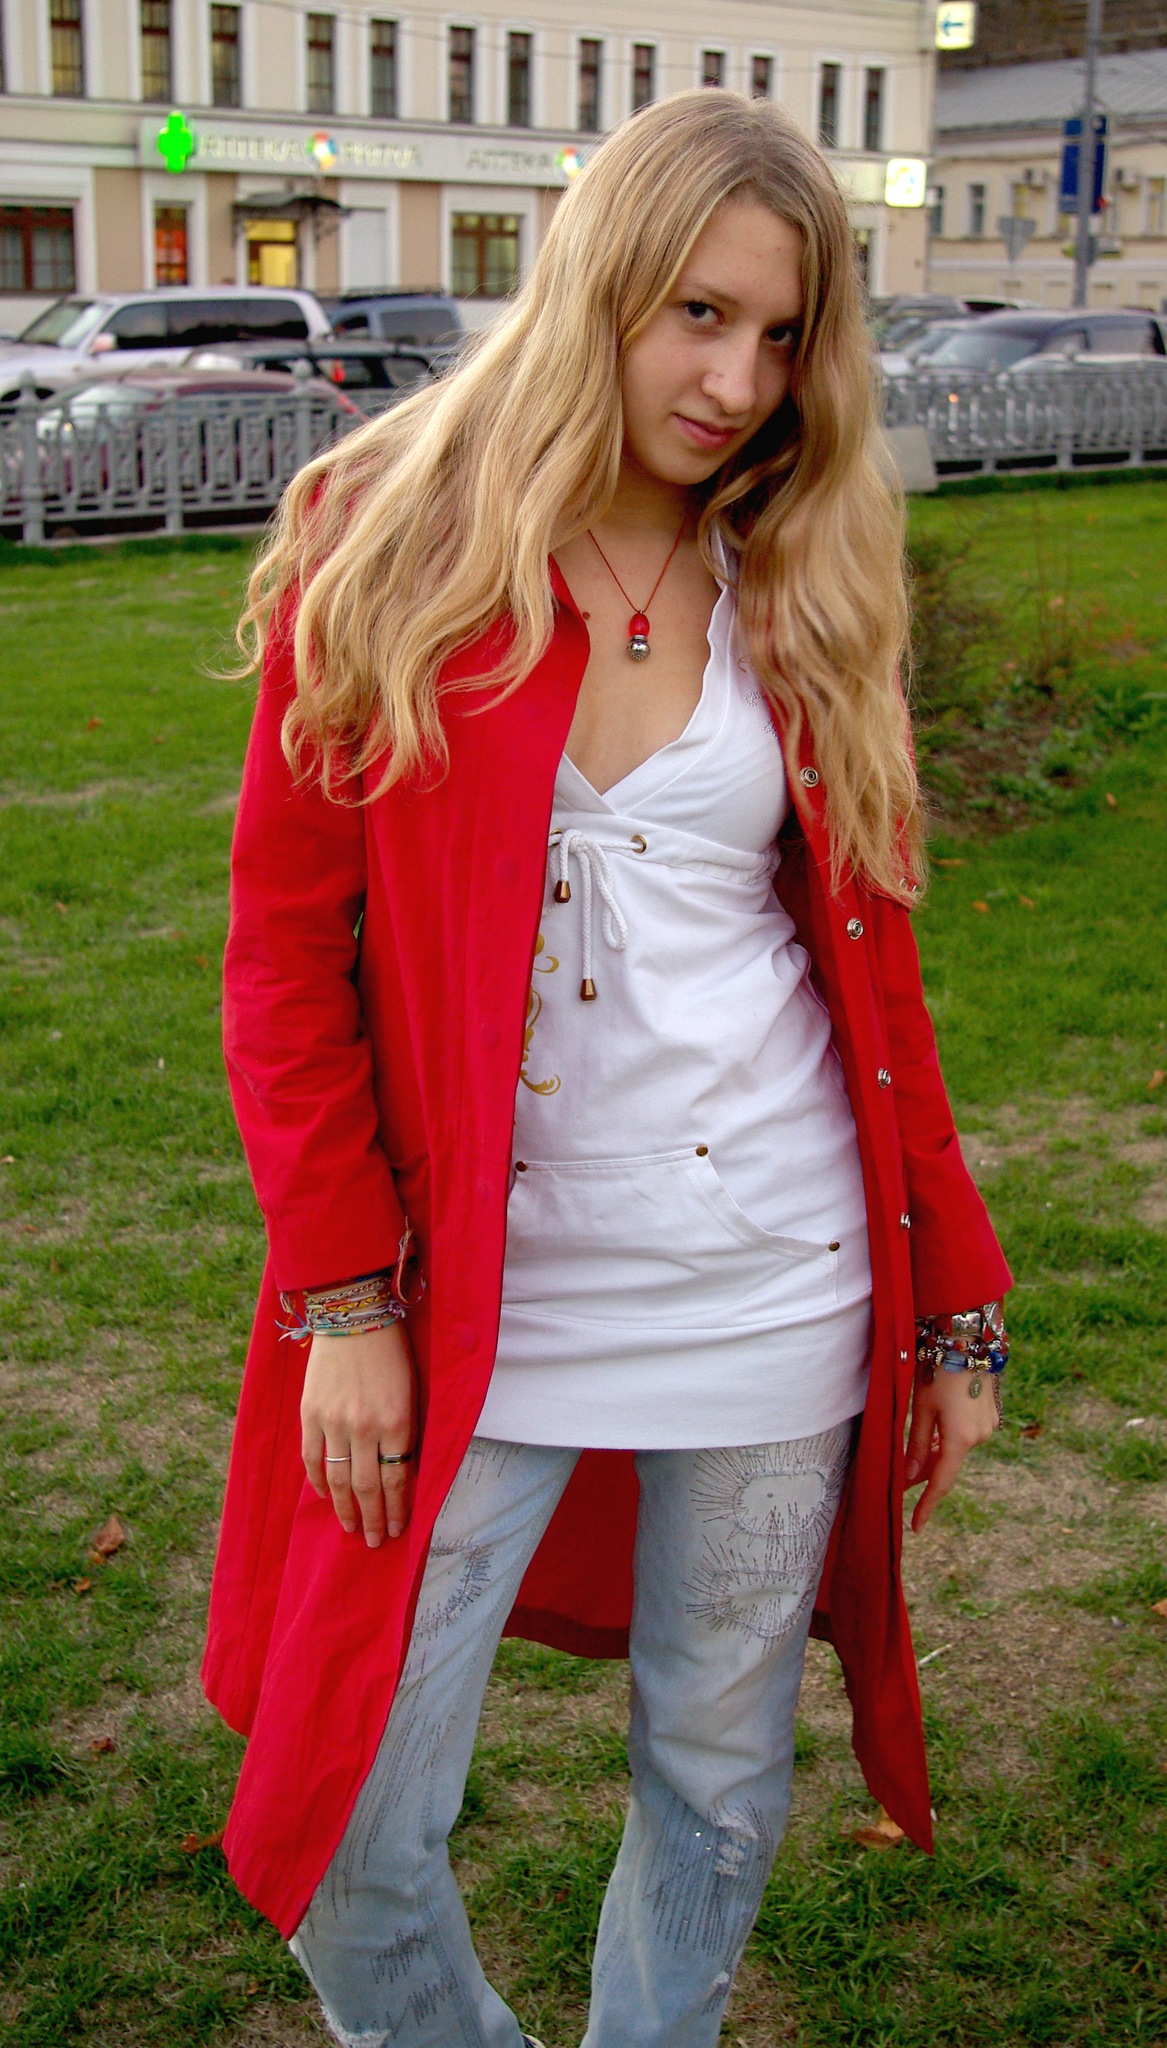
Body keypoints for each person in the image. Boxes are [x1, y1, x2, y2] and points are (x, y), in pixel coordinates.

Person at [203, 89, 1012, 2048]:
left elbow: (873, 989)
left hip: (776, 1280)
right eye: (695, 315)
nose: (736, 382)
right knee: (352, 1822)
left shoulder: (801, 571)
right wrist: (341, 1300)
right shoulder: (384, 540)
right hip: (479, 1297)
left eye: (781, 334)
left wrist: (954, 1296)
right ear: (594, 288)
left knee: (715, 1778)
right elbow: (285, 964)